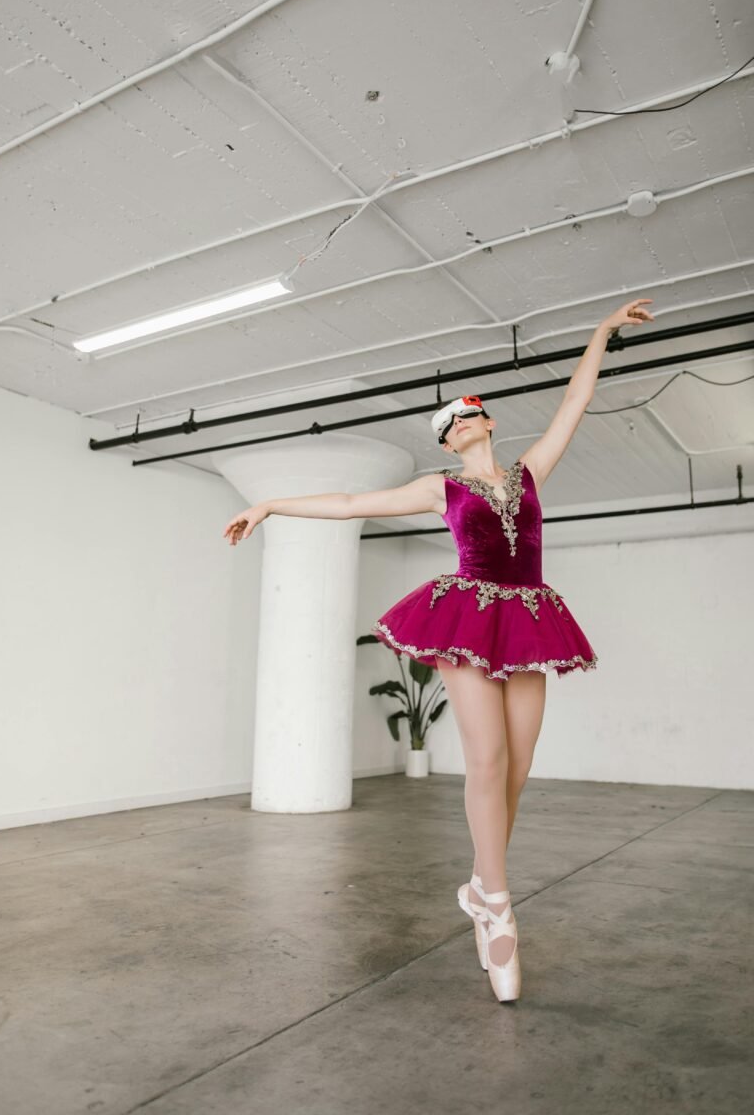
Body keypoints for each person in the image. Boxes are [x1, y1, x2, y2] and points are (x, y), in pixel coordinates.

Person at [224, 297, 655, 1004]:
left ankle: (481, 885)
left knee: (519, 765)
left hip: (528, 617)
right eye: (448, 422)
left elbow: (575, 404)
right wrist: (270, 504)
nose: (461, 421)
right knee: (487, 759)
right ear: (448, 443)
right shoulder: (440, 488)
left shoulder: (529, 473)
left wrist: (603, 331)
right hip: (467, 618)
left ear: (488, 422)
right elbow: (349, 503)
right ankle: (499, 907)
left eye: (469, 412)